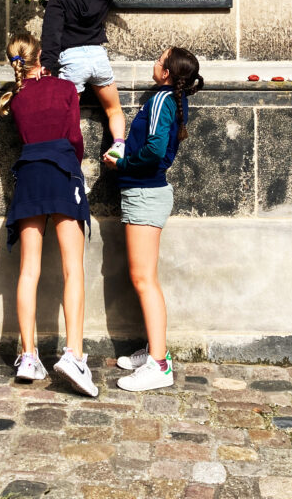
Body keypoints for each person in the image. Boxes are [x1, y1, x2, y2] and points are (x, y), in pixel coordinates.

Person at [0, 30, 98, 398]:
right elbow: (75, 138)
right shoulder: (64, 89)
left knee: (28, 270)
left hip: (28, 175)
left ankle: (28, 356)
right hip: (60, 169)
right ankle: (73, 354)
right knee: (74, 268)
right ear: (43, 55)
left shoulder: (17, 97)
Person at [102, 45, 203, 392]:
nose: (155, 62)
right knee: (145, 277)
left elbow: (157, 150)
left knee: (143, 279)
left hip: (145, 193)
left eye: (160, 60)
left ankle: (159, 365)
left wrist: (122, 164)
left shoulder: (162, 99)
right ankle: (154, 352)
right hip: (145, 193)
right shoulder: (170, 98)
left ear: (167, 74)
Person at [40, 0, 145, 161]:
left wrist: (47, 63)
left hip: (72, 60)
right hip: (98, 58)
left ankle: (68, 157)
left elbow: (52, 33)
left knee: (67, 116)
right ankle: (119, 144)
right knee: (114, 109)